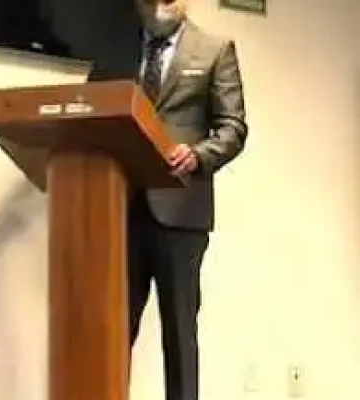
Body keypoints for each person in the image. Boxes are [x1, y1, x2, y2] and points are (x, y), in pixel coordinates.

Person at [87, 1, 248, 399]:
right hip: (122, 209)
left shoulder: (214, 50)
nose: (160, 7)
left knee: (179, 334)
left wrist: (198, 155)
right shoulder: (115, 50)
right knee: (112, 332)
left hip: (181, 213)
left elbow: (232, 128)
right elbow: (90, 110)